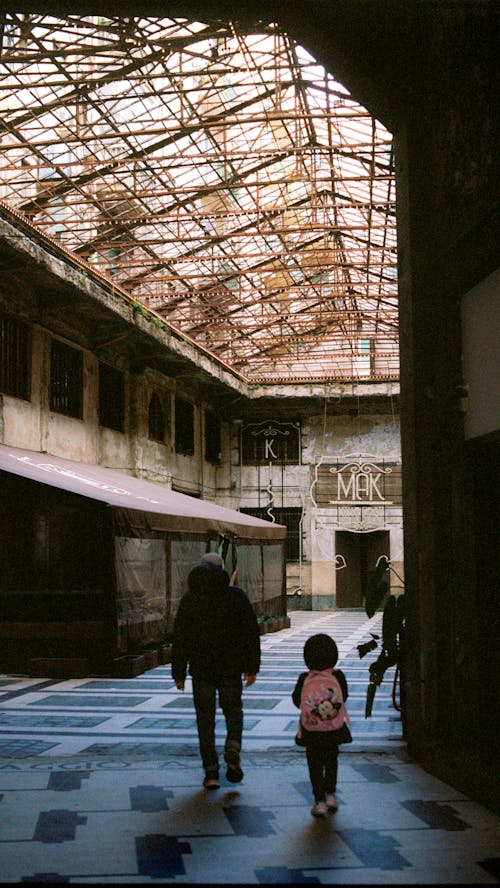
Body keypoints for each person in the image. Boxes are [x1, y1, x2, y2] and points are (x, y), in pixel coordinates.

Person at [171, 552, 261, 789]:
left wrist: (178, 672)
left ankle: (211, 772)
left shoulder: (190, 599)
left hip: (201, 670)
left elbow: (180, 638)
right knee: (233, 712)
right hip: (231, 668)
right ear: (223, 569)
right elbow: (250, 633)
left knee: (205, 720)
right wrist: (252, 667)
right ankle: (232, 745)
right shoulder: (236, 597)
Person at [292, 633, 350, 817]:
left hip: (312, 731)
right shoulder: (338, 676)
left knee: (314, 763)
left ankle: (319, 801)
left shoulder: (304, 678)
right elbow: (344, 697)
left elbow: (296, 700)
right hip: (333, 729)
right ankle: (331, 794)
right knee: (332, 759)